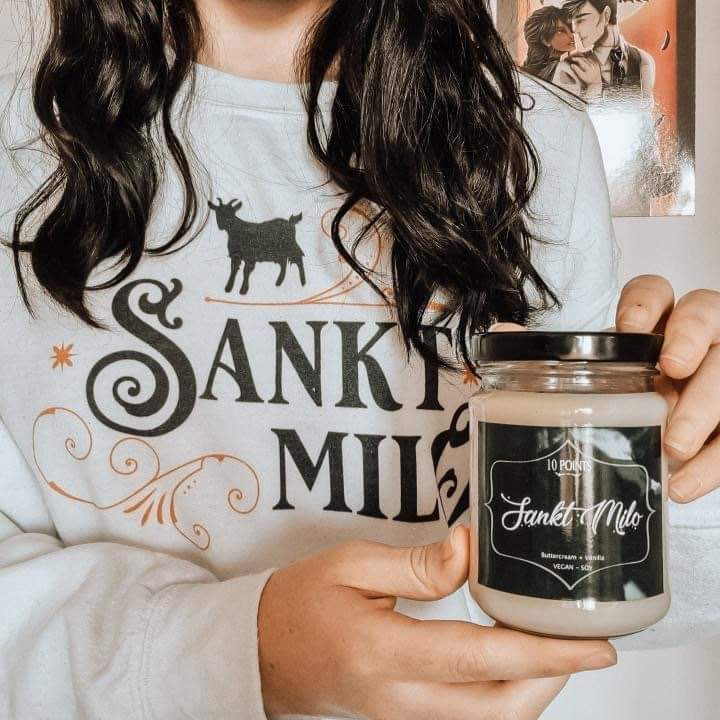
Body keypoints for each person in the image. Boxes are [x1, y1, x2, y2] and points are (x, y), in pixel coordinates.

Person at [0, 1, 718, 719]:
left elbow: (604, 568)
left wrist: (684, 459)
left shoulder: (536, 138)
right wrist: (242, 652)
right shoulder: (18, 140)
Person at [552, 0, 656, 101]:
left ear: (606, 15)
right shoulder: (569, 68)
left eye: (580, 20)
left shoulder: (642, 60)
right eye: (573, 22)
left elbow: (646, 111)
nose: (574, 29)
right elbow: (564, 112)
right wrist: (594, 88)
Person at [522, 5, 575, 82]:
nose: (571, 35)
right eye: (560, 31)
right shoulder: (561, 70)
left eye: (569, 28)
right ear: (545, 40)